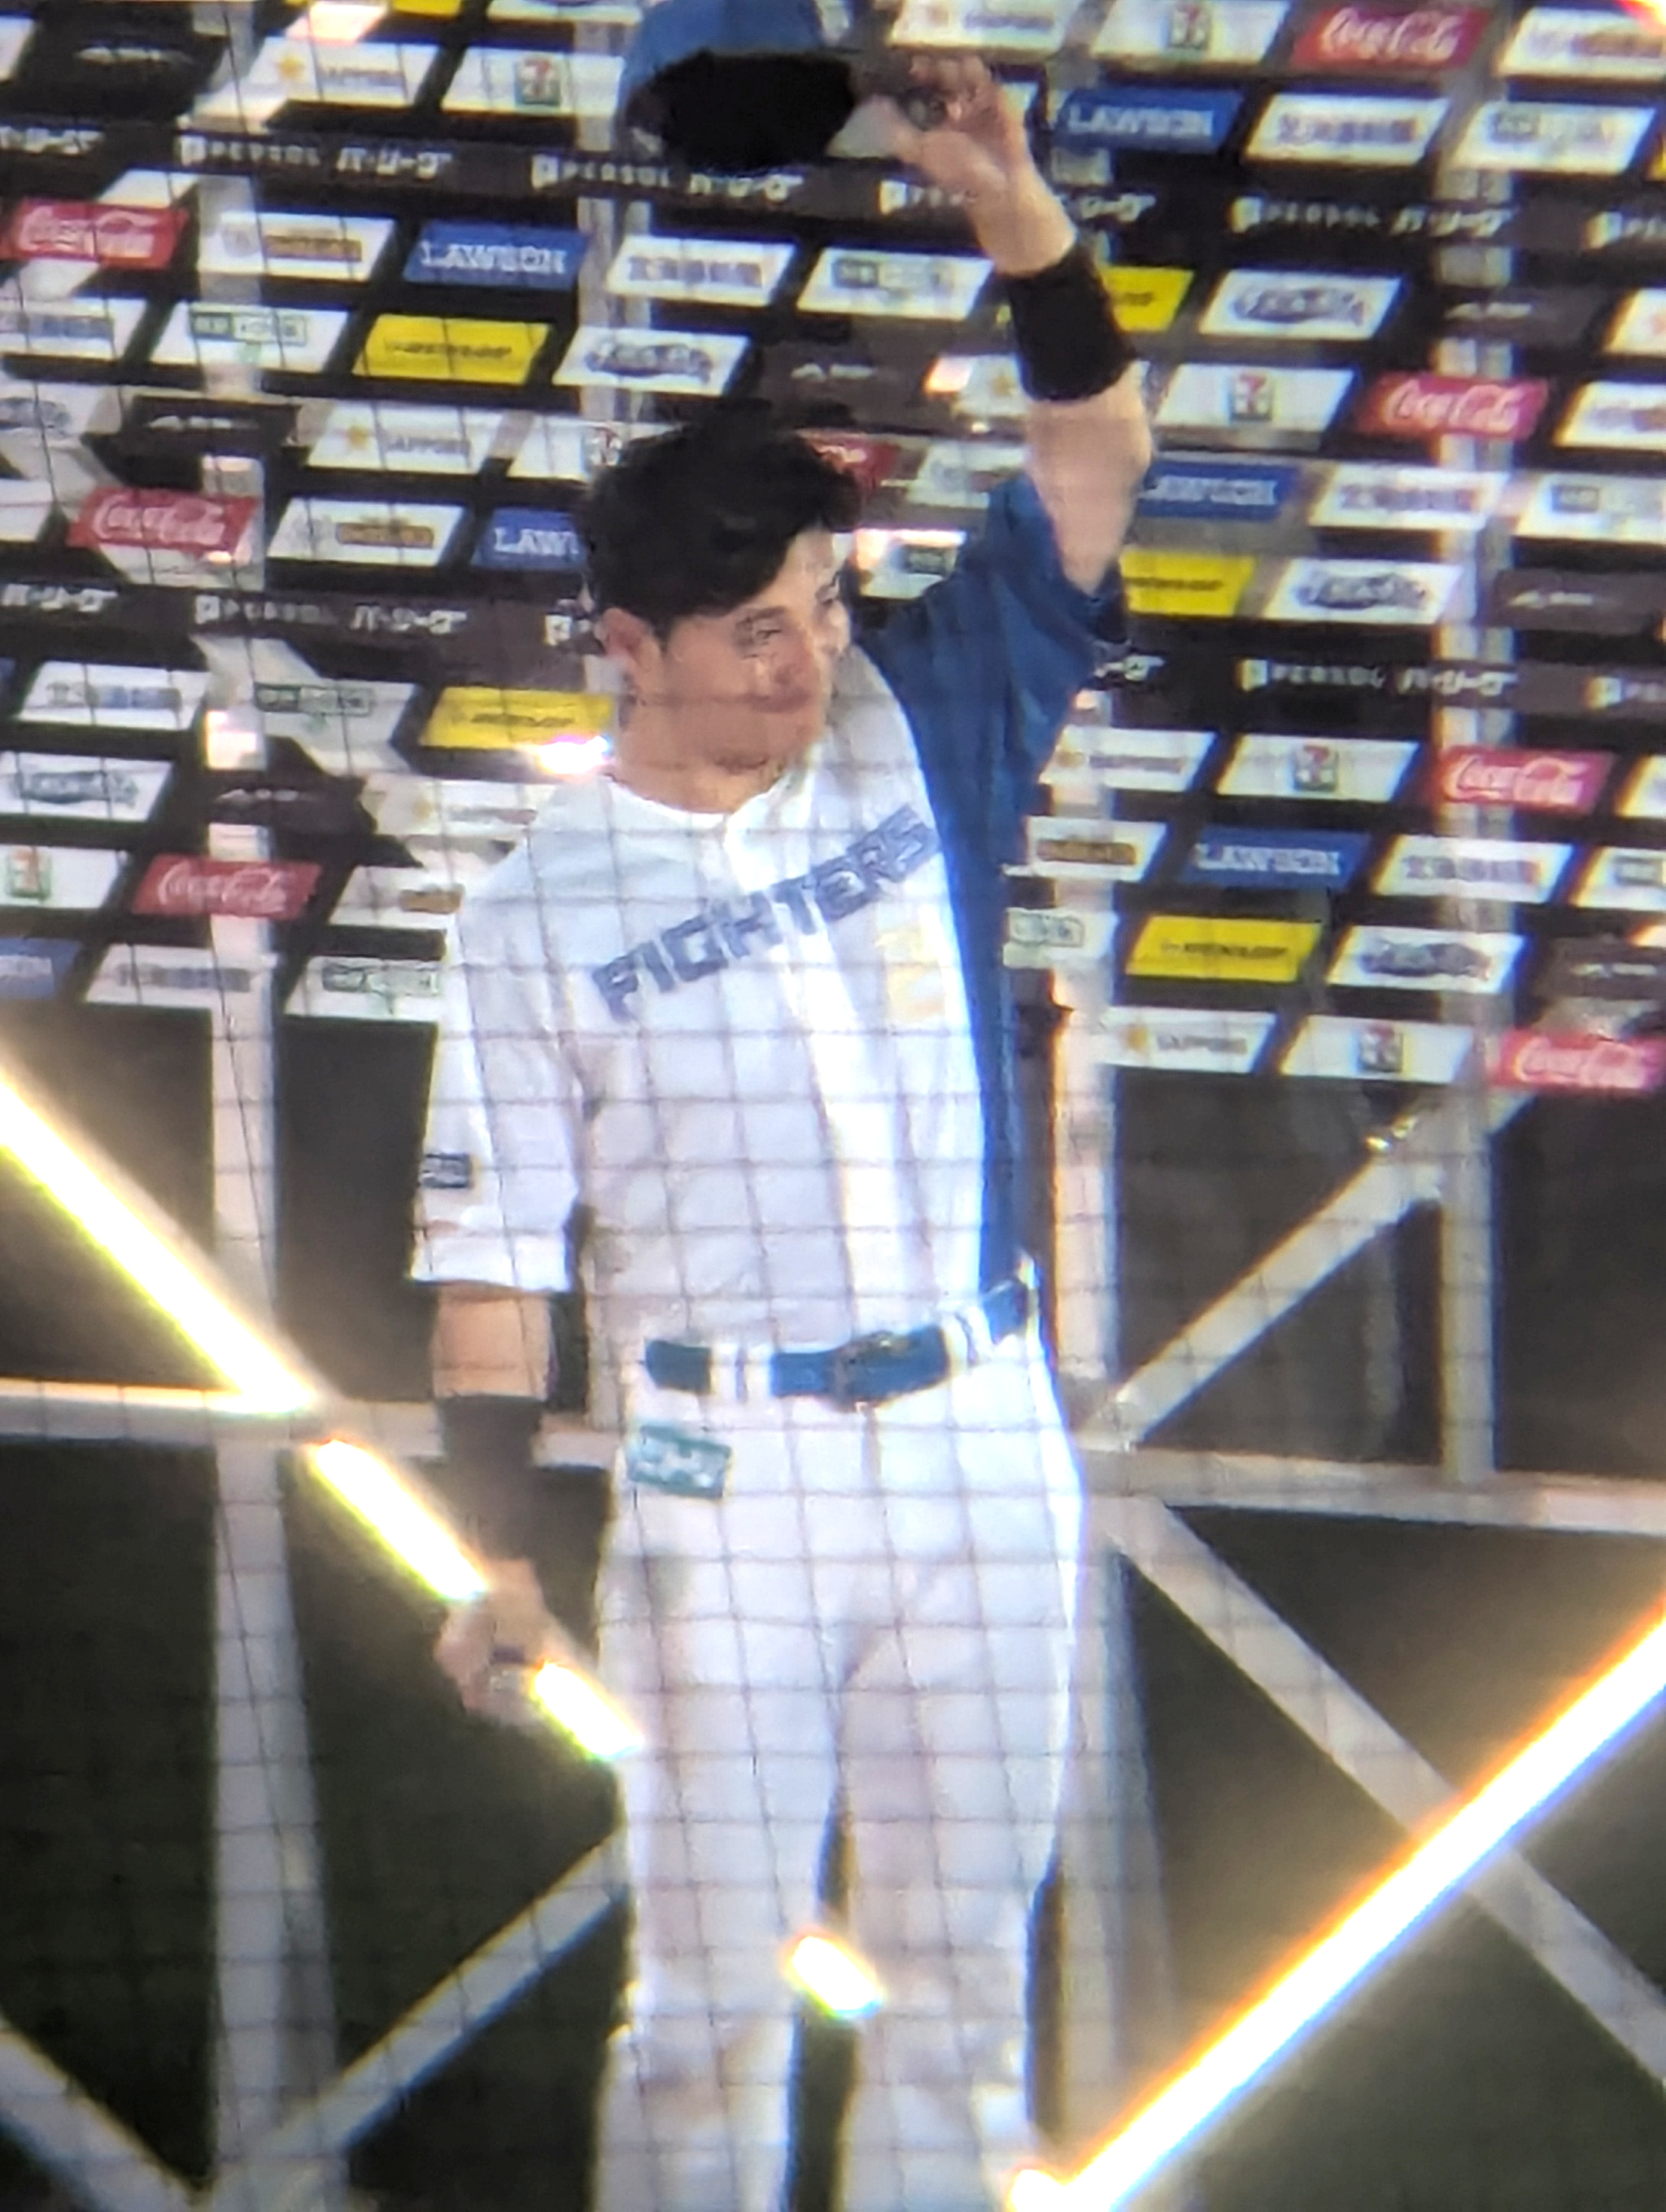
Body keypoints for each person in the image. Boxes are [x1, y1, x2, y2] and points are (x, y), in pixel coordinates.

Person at [412, 54, 1151, 2212]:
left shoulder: (928, 709)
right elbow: (493, 1265)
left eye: (824, 606)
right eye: (755, 635)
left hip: (984, 1434)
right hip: (726, 1484)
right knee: (710, 2012)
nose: (805, 662)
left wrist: (1014, 208)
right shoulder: (536, 913)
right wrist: (493, 1548)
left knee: (965, 1997)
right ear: (626, 646)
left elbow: (1099, 453)